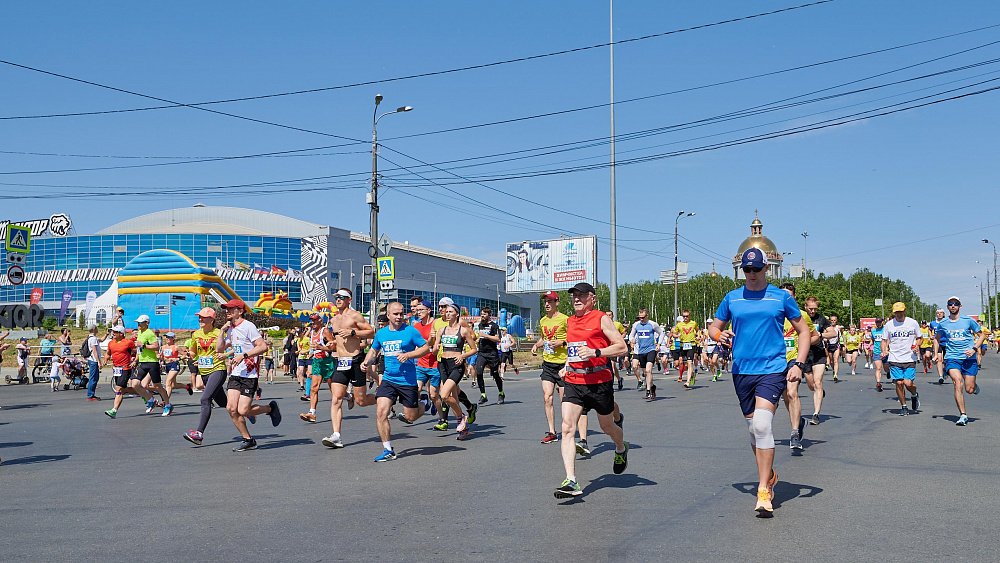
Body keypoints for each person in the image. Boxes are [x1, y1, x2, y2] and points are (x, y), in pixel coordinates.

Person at [709, 249, 809, 517]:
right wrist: (718, 334)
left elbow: (803, 331)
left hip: (772, 369)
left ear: (767, 268)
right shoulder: (732, 298)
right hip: (742, 371)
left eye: (756, 269)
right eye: (747, 270)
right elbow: (713, 327)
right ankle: (770, 475)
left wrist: (798, 364)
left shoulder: (780, 297)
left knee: (764, 425)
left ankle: (763, 489)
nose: (751, 274)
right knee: (754, 430)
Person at [553, 282, 629, 499]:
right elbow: (574, 349)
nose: (576, 298)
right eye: (574, 295)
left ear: (592, 298)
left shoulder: (601, 318)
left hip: (599, 383)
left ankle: (621, 447)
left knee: (607, 426)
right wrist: (567, 365)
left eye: (582, 295)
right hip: (575, 381)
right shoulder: (570, 321)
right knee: (567, 428)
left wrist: (597, 351)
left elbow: (622, 347)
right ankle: (572, 481)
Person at [359, 301, 431, 462]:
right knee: (381, 412)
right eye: (396, 314)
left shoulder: (410, 331)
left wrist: (409, 355)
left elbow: (426, 348)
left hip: (407, 381)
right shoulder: (382, 333)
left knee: (410, 417)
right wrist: (366, 362)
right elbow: (373, 350)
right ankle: (388, 449)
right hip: (389, 379)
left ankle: (424, 404)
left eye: (401, 313)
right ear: (389, 315)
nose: (399, 317)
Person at [217, 299, 282, 452]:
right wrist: (221, 332)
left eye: (231, 309)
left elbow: (263, 347)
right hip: (236, 374)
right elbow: (219, 348)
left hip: (249, 374)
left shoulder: (248, 326)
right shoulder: (230, 329)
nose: (227, 311)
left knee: (244, 411)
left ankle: (270, 409)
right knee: (231, 409)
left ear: (240, 311)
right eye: (226, 309)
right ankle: (248, 439)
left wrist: (244, 355)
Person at [321, 288, 378, 449]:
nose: (338, 299)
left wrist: (353, 332)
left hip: (355, 361)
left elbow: (371, 332)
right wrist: (331, 342)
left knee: (361, 400)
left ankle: (384, 399)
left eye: (341, 297)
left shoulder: (355, 315)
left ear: (349, 300)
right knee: (336, 398)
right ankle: (336, 436)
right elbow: (339, 340)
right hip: (341, 362)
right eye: (336, 297)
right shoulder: (334, 319)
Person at [777, 282, 817, 452]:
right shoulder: (773, 314)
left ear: (794, 297)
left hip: (795, 359)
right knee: (786, 396)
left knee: (792, 393)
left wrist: (803, 346)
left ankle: (794, 432)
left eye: (789, 296)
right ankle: (799, 421)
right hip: (777, 360)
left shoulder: (801, 315)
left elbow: (814, 336)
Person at [182, 308, 230, 446]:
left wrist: (226, 355)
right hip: (204, 371)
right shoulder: (196, 334)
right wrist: (193, 356)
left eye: (203, 317)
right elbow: (193, 350)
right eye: (199, 317)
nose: (200, 319)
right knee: (224, 403)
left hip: (218, 369)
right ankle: (247, 411)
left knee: (205, 399)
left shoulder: (219, 332)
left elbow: (231, 346)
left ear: (212, 319)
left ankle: (199, 434)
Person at [934, 297, 984, 426]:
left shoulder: (968, 321)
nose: (953, 306)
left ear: (960, 306)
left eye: (955, 304)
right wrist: (936, 354)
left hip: (969, 358)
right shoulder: (943, 323)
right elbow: (937, 338)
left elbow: (982, 335)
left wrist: (974, 348)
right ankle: (963, 415)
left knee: (969, 389)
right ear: (947, 307)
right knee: (957, 382)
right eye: (950, 304)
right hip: (952, 357)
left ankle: (973, 385)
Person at [432, 302, 476, 438]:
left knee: (444, 395)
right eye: (446, 312)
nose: (447, 313)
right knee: (453, 397)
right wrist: (435, 345)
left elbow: (474, 349)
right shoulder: (441, 330)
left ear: (457, 314)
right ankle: (463, 428)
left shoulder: (463, 330)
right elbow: (434, 351)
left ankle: (461, 417)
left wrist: (462, 356)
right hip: (443, 364)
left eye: (451, 311)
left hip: (456, 364)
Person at [532, 291, 568, 443]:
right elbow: (544, 338)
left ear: (557, 302)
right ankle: (552, 432)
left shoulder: (565, 319)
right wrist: (536, 345)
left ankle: (567, 428)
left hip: (563, 364)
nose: (547, 304)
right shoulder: (543, 321)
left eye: (550, 301)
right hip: (548, 363)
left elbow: (574, 338)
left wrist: (562, 342)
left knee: (564, 401)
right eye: (545, 301)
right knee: (547, 397)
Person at [103, 325, 153, 418]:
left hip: (126, 368)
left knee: (119, 389)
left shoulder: (128, 343)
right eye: (113, 331)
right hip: (116, 369)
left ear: (121, 334)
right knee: (124, 390)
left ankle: (114, 410)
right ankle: (145, 394)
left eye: (115, 332)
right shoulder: (111, 343)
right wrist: (105, 360)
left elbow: (138, 351)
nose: (113, 333)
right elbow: (108, 353)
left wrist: (135, 361)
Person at [882, 302, 922, 416]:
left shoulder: (912, 323)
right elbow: (884, 340)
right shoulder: (889, 325)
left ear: (905, 311)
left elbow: (919, 338)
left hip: (909, 358)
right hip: (894, 357)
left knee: (908, 383)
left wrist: (917, 345)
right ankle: (903, 406)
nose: (898, 314)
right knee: (899, 383)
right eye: (896, 312)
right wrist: (884, 350)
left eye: (900, 312)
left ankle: (914, 394)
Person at [299, 313, 337, 424]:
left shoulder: (325, 331)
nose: (313, 323)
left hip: (327, 362)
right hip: (317, 362)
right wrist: (312, 353)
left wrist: (322, 347)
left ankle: (346, 398)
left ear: (320, 321)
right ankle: (312, 413)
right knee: (313, 388)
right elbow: (312, 345)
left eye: (315, 321)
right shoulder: (311, 332)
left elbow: (334, 347)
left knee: (334, 390)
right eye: (312, 321)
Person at [801, 297, 830, 425]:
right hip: (805, 354)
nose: (813, 311)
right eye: (810, 308)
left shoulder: (821, 319)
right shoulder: (799, 317)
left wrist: (820, 336)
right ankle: (820, 391)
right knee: (811, 384)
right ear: (805, 307)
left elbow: (833, 332)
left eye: (815, 309)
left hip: (819, 354)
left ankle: (816, 414)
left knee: (818, 382)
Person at [133, 315, 168, 414]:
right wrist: (136, 359)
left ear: (146, 323)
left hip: (152, 362)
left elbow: (156, 347)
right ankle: (151, 400)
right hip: (143, 362)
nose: (138, 325)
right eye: (138, 323)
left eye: (140, 323)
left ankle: (168, 405)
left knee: (157, 386)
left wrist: (144, 345)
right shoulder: (140, 332)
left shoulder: (150, 333)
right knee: (135, 384)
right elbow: (139, 348)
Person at [627, 309, 664, 401]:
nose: (641, 319)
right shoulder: (636, 325)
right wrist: (632, 340)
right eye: (640, 317)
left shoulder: (652, 324)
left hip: (651, 350)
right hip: (641, 351)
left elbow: (661, 333)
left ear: (647, 316)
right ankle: (652, 387)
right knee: (646, 373)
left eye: (643, 317)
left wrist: (659, 344)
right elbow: (631, 335)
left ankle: (648, 391)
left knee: (648, 370)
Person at [473, 307, 505, 404]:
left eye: (484, 314)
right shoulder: (479, 325)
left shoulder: (494, 326)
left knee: (495, 374)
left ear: (489, 315)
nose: (482, 316)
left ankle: (501, 393)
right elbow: (477, 336)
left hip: (492, 353)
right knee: (478, 372)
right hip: (482, 353)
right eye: (482, 314)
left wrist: (486, 336)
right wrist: (476, 339)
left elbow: (498, 339)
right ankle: (483, 395)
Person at [159, 332, 189, 415]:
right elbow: (161, 357)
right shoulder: (163, 347)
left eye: (169, 337)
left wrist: (177, 358)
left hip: (174, 366)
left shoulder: (176, 347)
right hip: (167, 366)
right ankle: (186, 386)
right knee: (173, 385)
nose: (167, 339)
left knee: (168, 382)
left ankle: (165, 401)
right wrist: (161, 360)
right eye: (167, 337)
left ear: (173, 338)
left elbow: (186, 355)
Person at [674, 309, 699, 388]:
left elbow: (698, 330)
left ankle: (688, 381)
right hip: (682, 345)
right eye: (684, 316)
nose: (685, 318)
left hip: (691, 344)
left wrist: (698, 336)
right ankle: (692, 374)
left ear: (689, 316)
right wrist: (677, 336)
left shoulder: (693, 323)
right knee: (681, 362)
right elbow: (674, 334)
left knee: (689, 362)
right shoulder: (679, 325)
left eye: (687, 316)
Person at [84, 324, 103, 401]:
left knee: (95, 377)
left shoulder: (91, 338)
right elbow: (94, 351)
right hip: (93, 360)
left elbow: (101, 340)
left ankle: (92, 394)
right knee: (93, 378)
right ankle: (90, 395)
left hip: (92, 360)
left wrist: (107, 334)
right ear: (94, 329)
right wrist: (99, 361)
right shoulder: (93, 339)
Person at [929, 308, 947, 384]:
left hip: (947, 342)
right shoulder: (933, 323)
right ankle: (940, 376)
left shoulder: (947, 322)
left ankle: (945, 370)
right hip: (937, 342)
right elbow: (929, 329)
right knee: (939, 359)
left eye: (941, 313)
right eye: (938, 313)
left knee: (946, 360)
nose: (939, 314)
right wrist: (931, 336)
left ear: (943, 314)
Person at [825, 314, 842, 382]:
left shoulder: (838, 328)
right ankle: (834, 370)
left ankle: (835, 375)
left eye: (834, 320)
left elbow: (841, 333)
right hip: (829, 345)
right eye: (832, 320)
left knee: (836, 360)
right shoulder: (827, 328)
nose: (833, 321)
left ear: (836, 321)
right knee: (831, 361)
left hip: (836, 345)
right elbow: (824, 335)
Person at [871, 318, 886, 391]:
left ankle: (888, 372)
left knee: (886, 368)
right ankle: (878, 383)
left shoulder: (885, 330)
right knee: (878, 368)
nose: (878, 323)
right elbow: (873, 340)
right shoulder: (873, 331)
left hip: (885, 352)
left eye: (880, 322)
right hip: (877, 352)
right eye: (877, 322)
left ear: (882, 322)